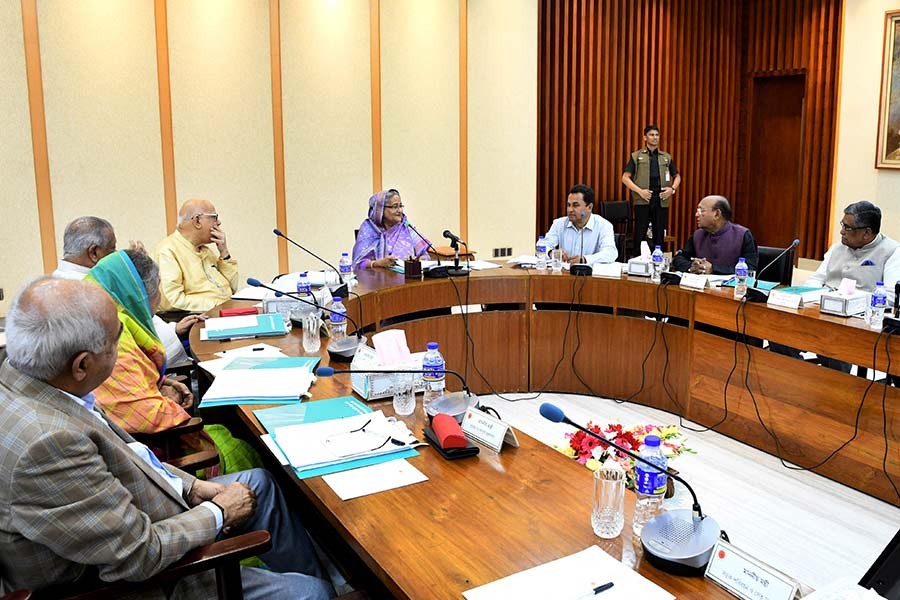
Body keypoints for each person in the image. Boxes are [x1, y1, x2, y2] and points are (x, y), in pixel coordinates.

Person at [0, 277, 331, 598]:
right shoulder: (47, 446)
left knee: (259, 483)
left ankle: (327, 585)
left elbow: (129, 457)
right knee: (307, 594)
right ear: (82, 365)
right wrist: (219, 511)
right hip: (147, 581)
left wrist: (191, 486)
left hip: (142, 511)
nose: (124, 348)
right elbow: (138, 555)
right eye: (117, 338)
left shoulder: (34, 381)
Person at [86, 249, 260, 474]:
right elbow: (144, 413)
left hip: (135, 443)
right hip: (153, 458)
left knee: (233, 431)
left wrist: (163, 383)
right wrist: (173, 397)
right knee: (245, 448)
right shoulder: (111, 334)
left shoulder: (104, 313)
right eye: (157, 289)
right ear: (139, 294)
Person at [52, 216, 200, 368]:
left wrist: (173, 329)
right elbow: (128, 336)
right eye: (112, 249)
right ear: (94, 252)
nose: (116, 255)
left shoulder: (55, 281)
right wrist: (139, 276)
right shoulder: (90, 291)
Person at [770, 201, 900, 373]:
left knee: (834, 345)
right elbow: (816, 280)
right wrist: (810, 296)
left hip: (857, 320)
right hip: (821, 312)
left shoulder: (892, 251)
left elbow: (891, 296)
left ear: (867, 233)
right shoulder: (837, 247)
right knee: (777, 332)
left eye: (848, 228)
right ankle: (799, 375)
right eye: (842, 225)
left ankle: (837, 389)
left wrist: (850, 300)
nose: (841, 231)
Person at [154, 199, 239, 312]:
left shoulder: (205, 250)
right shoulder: (168, 251)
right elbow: (172, 301)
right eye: (214, 217)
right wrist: (218, 305)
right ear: (197, 221)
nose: (219, 222)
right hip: (199, 320)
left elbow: (232, 288)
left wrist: (224, 253)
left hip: (223, 312)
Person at [622, 124, 682, 253]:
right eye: (651, 135)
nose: (655, 138)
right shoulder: (636, 156)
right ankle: (637, 260)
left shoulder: (666, 157)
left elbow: (677, 176)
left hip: (661, 198)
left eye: (657, 135)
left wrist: (672, 189)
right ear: (645, 137)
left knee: (659, 233)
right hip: (643, 198)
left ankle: (658, 261)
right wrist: (640, 191)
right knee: (640, 232)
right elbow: (625, 178)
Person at [672, 195, 758, 275]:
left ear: (717, 214)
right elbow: (679, 258)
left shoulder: (743, 235)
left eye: (701, 210)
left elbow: (750, 269)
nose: (696, 214)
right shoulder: (698, 235)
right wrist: (692, 267)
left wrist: (714, 269)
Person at [352, 189, 430, 269]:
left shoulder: (406, 227)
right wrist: (377, 263)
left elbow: (425, 256)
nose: (400, 210)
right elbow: (358, 264)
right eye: (395, 206)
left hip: (407, 279)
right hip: (377, 279)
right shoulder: (368, 229)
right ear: (380, 209)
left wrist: (418, 260)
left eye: (400, 206)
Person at [543, 184, 617, 265]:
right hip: (564, 274)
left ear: (589, 207)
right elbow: (542, 246)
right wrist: (552, 253)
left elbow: (611, 253)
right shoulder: (559, 224)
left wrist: (584, 259)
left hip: (590, 275)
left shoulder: (603, 225)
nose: (570, 210)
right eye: (568, 205)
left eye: (575, 205)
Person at [51, 216, 117, 279]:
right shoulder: (93, 287)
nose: (115, 254)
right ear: (93, 253)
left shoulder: (49, 281)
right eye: (112, 250)